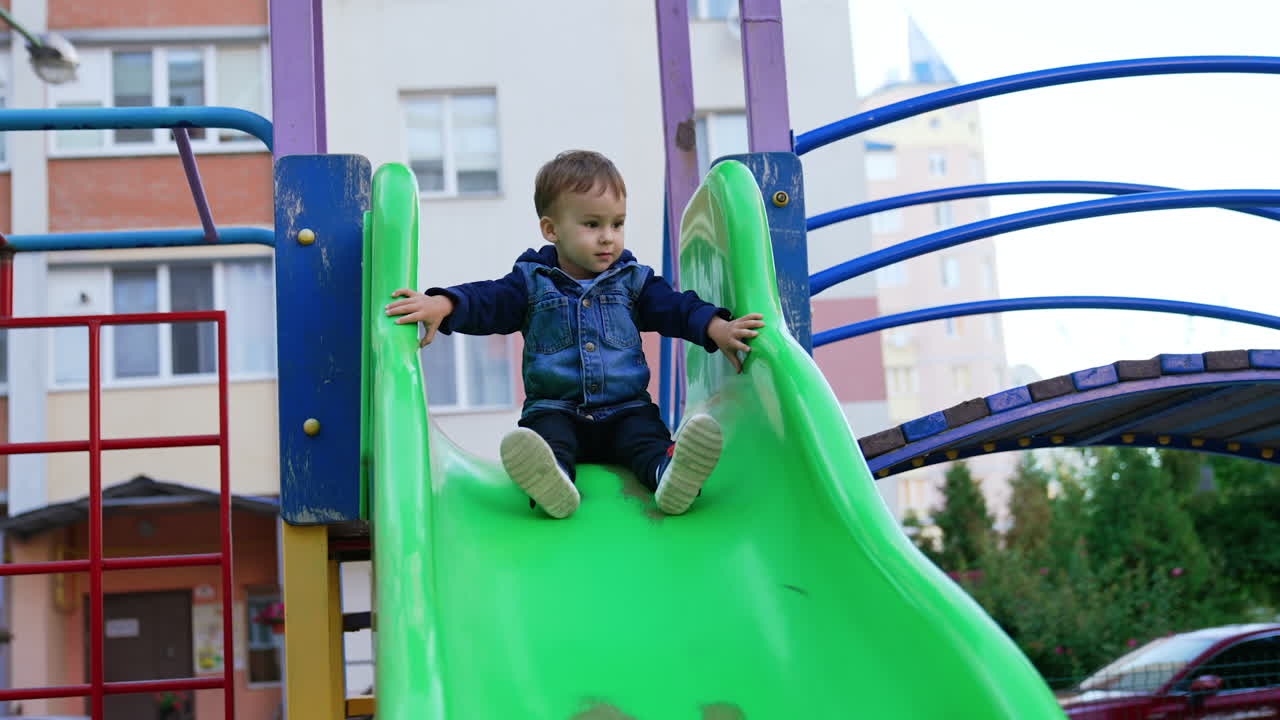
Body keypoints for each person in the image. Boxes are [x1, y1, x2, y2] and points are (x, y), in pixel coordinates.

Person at [385, 150, 764, 519]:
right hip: (556, 409)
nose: (608, 238)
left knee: (646, 441)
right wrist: (444, 304)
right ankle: (553, 483)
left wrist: (717, 327)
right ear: (552, 230)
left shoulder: (634, 282)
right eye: (592, 224)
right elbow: (489, 301)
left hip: (626, 409)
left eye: (617, 224)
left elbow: (676, 309)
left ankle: (669, 477)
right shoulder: (532, 283)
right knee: (547, 443)